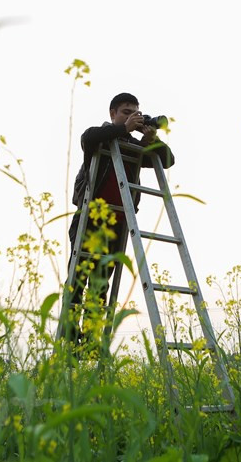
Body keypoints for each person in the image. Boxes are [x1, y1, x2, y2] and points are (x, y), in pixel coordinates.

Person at [63, 92, 174, 347]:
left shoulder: (133, 147)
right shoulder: (100, 138)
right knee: (77, 283)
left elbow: (168, 161)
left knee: (99, 288)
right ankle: (69, 342)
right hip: (90, 221)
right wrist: (123, 128)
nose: (132, 116)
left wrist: (151, 139)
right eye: (126, 112)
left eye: (135, 112)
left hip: (116, 226)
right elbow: (87, 137)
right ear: (113, 113)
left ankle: (91, 342)